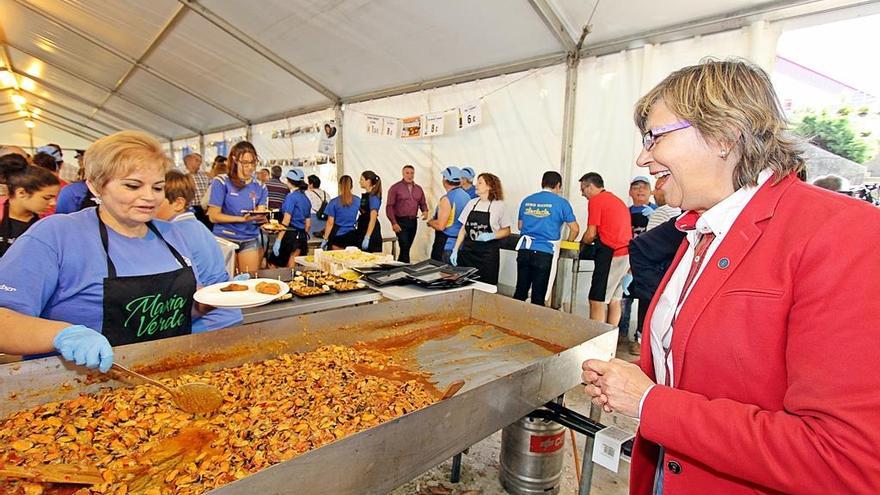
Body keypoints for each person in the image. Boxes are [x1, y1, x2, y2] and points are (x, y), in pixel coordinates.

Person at [582, 59, 880, 495]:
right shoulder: (698, 230)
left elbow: (843, 458)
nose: (643, 158)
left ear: (723, 134)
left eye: (655, 137)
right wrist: (640, 379)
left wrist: (650, 402)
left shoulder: (844, 232)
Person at [0, 130, 221, 373]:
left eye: (158, 188)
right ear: (96, 186)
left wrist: (213, 299)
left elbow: (171, 315)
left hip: (167, 377)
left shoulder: (172, 234)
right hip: (77, 388)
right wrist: (61, 334)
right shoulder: (56, 235)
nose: (149, 197)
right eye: (132, 185)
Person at [154, 170, 242, 332]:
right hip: (229, 313)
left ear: (178, 203)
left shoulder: (173, 233)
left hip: (206, 322)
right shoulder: (198, 226)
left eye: (157, 204)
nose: (150, 209)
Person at [514, 171, 579, 305]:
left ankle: (513, 323)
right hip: (545, 252)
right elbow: (575, 228)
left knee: (520, 291)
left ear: (542, 183)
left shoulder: (527, 200)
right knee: (539, 295)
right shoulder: (561, 203)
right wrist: (568, 241)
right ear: (558, 185)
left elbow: (520, 226)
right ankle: (535, 324)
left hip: (524, 250)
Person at [207, 141, 269, 274]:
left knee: (249, 280)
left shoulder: (260, 186)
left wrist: (263, 221)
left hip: (249, 238)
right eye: (245, 163)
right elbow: (213, 216)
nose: (250, 167)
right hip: (224, 239)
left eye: (253, 162)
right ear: (234, 160)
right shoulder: (221, 182)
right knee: (225, 282)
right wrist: (242, 219)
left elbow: (259, 213)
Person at [579, 172, 631, 326]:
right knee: (614, 300)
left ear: (591, 186)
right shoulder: (616, 200)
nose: (582, 194)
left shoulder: (596, 201)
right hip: (626, 253)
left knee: (597, 299)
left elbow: (590, 233)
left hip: (611, 254)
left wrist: (581, 243)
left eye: (583, 189)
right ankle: (610, 340)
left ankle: (595, 340)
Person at [449, 173, 510, 284]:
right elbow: (463, 229)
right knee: (465, 284)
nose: (476, 185)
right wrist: (455, 249)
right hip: (468, 253)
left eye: (480, 182)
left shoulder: (499, 205)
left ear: (489, 186)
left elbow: (507, 230)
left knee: (486, 286)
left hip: (488, 255)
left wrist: (492, 235)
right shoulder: (471, 203)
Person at [619, 175, 656, 354]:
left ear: (650, 191)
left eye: (644, 187)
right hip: (627, 262)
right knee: (623, 300)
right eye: (636, 187)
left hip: (649, 265)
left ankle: (640, 340)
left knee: (646, 303)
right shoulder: (624, 213)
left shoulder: (659, 212)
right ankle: (621, 333)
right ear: (630, 192)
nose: (640, 190)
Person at [1, 154, 60, 257]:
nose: (53, 203)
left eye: (54, 197)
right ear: (21, 193)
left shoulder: (48, 221)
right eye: (47, 198)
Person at [428, 166, 471, 262]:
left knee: (441, 275)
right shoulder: (467, 196)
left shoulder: (446, 199)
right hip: (460, 245)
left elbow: (441, 226)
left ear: (445, 180)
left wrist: (430, 222)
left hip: (446, 246)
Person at [386, 164, 428, 263]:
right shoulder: (395, 188)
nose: (410, 175)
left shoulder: (418, 189)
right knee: (404, 245)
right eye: (407, 173)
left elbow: (422, 203)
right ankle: (406, 269)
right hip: (400, 222)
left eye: (412, 173)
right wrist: (393, 222)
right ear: (403, 174)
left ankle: (398, 267)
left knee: (407, 247)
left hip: (413, 221)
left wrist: (425, 211)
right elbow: (389, 206)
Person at [270, 169, 311, 267]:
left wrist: (279, 240)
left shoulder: (291, 197)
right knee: (293, 263)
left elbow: (286, 220)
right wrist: (302, 238)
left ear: (289, 181)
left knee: (272, 264)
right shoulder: (306, 199)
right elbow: (308, 224)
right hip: (301, 236)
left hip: (289, 235)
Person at [322, 175, 360, 250]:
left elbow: (330, 223)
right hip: (353, 235)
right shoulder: (358, 200)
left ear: (339, 186)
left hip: (337, 236)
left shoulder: (334, 202)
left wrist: (325, 239)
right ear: (351, 186)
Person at [356, 170, 383, 253]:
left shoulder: (374, 197)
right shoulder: (366, 196)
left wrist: (367, 236)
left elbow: (373, 218)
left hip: (371, 231)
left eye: (361, 179)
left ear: (368, 181)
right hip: (362, 227)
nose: (359, 182)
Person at [183, 153, 211, 227]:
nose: (200, 163)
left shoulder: (205, 175)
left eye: (200, 161)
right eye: (197, 160)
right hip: (192, 209)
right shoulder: (182, 177)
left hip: (206, 208)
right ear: (188, 161)